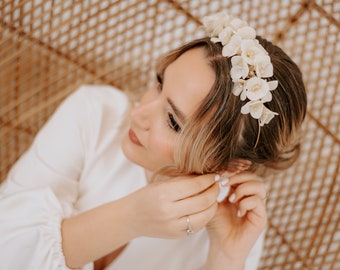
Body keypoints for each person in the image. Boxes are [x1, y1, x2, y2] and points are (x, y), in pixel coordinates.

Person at [0, 12, 306, 270]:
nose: (138, 113)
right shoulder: (95, 114)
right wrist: (130, 217)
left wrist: (227, 257)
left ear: (229, 165)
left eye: (172, 121)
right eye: (159, 83)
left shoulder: (236, 222)